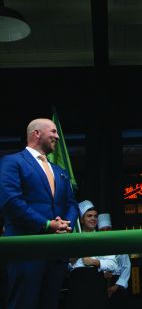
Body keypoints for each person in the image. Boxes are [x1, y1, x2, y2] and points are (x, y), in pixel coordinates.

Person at [0, 118, 79, 309]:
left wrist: (65, 223)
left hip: (56, 252)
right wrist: (45, 224)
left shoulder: (60, 171)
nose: (57, 136)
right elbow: (10, 201)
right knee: (23, 303)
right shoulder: (12, 162)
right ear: (37, 133)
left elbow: (72, 204)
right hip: (26, 248)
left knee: (50, 303)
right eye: (53, 131)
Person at [66, 200, 118, 309]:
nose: (93, 219)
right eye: (89, 216)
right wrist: (71, 260)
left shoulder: (102, 239)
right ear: (81, 220)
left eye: (95, 216)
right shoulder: (73, 239)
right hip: (77, 282)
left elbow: (113, 264)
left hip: (96, 283)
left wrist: (95, 262)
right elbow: (63, 266)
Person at [98, 213, 132, 306]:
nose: (106, 232)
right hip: (101, 282)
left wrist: (116, 286)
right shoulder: (96, 246)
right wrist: (102, 273)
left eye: (108, 229)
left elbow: (126, 266)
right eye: (103, 230)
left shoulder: (119, 245)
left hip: (117, 283)